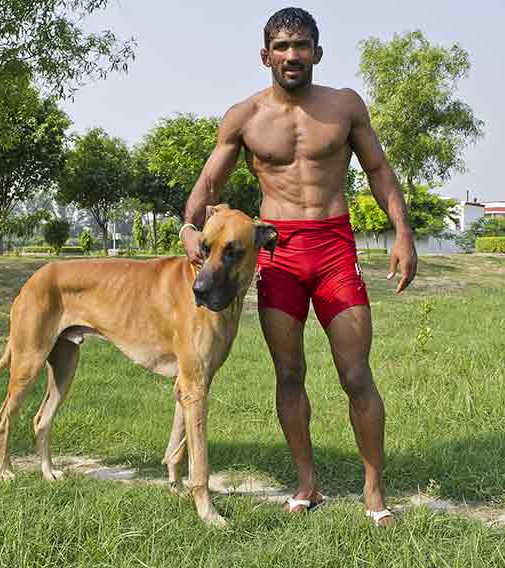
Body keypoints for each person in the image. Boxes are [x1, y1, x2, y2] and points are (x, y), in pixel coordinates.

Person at [179, 7, 417, 526]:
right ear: (265, 55)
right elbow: (208, 183)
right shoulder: (244, 117)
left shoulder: (344, 107)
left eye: (302, 45)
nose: (293, 55)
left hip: (333, 250)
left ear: (317, 52)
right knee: (289, 374)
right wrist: (188, 226)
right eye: (282, 47)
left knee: (356, 374)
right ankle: (307, 482)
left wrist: (403, 231)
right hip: (279, 254)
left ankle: (373, 491)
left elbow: (377, 168)